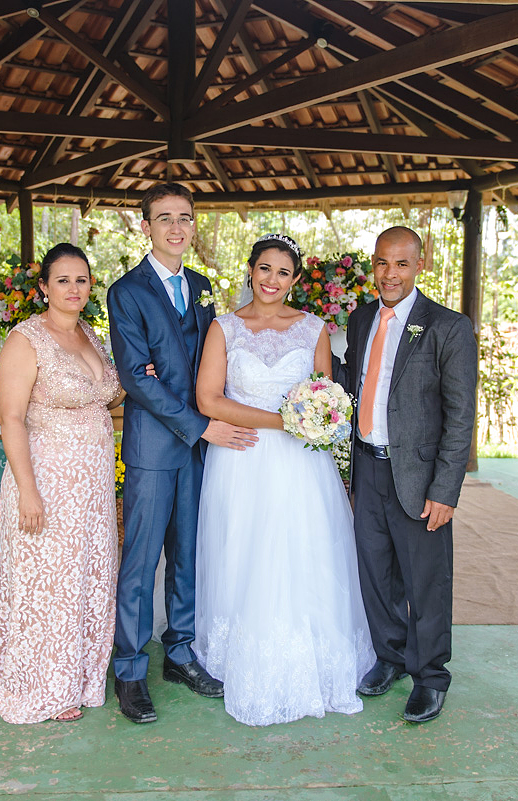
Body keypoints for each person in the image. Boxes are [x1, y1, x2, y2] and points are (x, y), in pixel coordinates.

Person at [194, 233, 376, 726]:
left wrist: (317, 419)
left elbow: (326, 394)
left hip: (302, 466)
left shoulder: (314, 327)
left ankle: (315, 658)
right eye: (264, 269)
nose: (271, 280)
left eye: (282, 272)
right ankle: (242, 657)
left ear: (295, 279)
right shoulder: (224, 328)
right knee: (246, 551)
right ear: (249, 270)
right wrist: (286, 422)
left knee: (304, 551)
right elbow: (209, 400)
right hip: (243, 458)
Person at [107, 182, 258, 724]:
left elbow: (205, 365)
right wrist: (201, 426)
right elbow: (136, 378)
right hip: (154, 448)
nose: (176, 227)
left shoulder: (201, 285)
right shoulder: (126, 292)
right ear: (145, 226)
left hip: (199, 448)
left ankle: (179, 653)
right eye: (164, 217)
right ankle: (128, 668)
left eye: (185, 218)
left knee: (190, 555)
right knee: (142, 561)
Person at [340, 226, 477, 724]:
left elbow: (460, 417)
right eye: (381, 263)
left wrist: (446, 490)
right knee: (376, 575)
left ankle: (430, 676)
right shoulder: (360, 320)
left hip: (418, 478)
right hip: (368, 469)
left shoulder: (447, 326)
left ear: (420, 265)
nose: (389, 274)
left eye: (400, 264)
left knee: (426, 582)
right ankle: (390, 658)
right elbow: (351, 381)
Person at [0, 243, 122, 724]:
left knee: (85, 576)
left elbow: (108, 396)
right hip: (47, 479)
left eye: (81, 280)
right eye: (62, 280)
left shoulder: (91, 335)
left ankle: (80, 676)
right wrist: (28, 489)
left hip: (93, 487)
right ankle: (44, 683)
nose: (73, 288)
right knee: (49, 583)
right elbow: (11, 417)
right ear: (43, 287)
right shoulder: (26, 339)